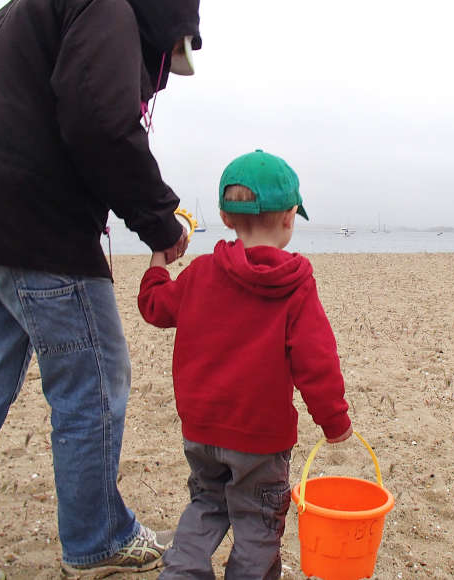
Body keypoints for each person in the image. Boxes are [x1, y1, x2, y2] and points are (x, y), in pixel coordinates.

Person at [0, 1, 202, 578]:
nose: (158, 69)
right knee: (94, 388)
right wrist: (158, 219)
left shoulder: (22, 9)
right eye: (167, 52)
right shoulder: (107, 5)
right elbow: (100, 120)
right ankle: (96, 538)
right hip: (38, 226)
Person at [137, 150, 353, 578]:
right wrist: (335, 421)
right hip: (261, 440)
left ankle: (180, 572)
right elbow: (317, 361)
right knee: (257, 523)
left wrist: (159, 262)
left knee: (206, 504)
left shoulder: (200, 273)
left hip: (201, 430)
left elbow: (154, 306)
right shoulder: (295, 284)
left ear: (224, 215)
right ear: (290, 218)